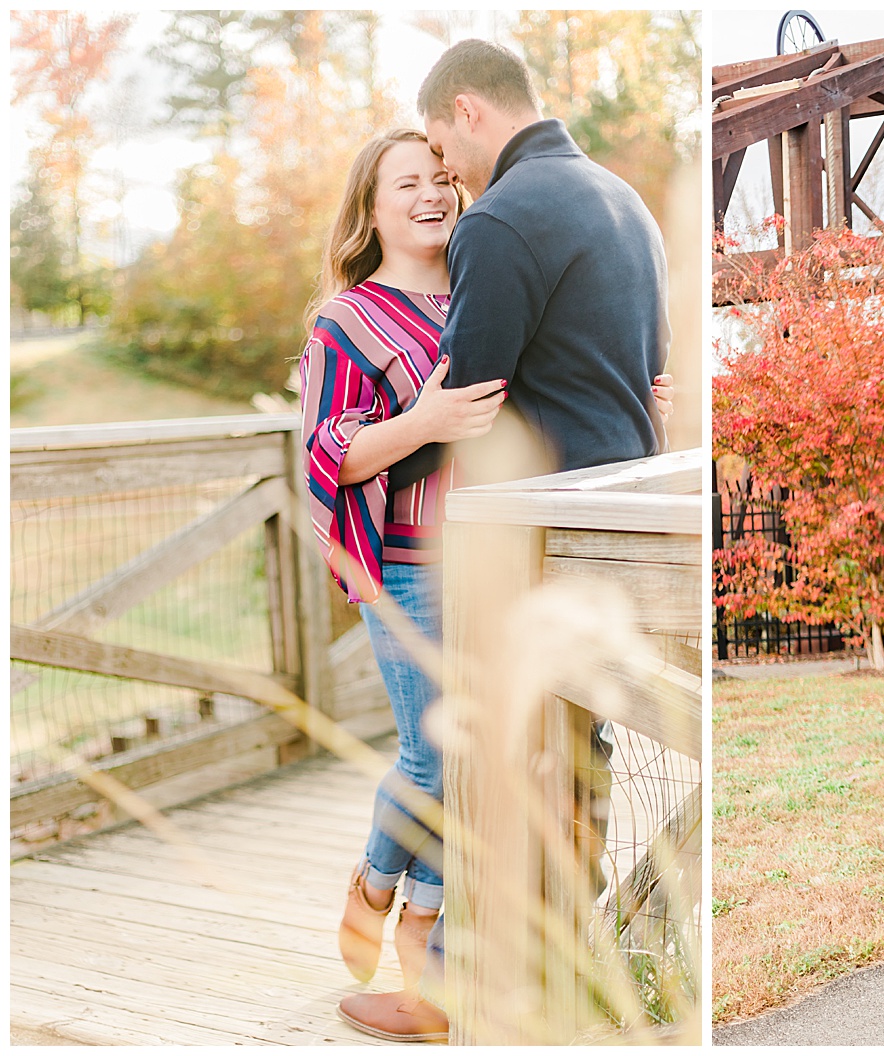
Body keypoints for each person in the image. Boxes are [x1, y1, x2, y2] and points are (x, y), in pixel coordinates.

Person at [329, 38, 673, 1042]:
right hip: (620, 531)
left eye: (442, 145)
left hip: (536, 539)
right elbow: (641, 375)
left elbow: (472, 398)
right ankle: (565, 968)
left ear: (469, 111)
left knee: (498, 760)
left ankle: (459, 993)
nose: (448, 171)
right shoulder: (629, 204)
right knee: (572, 756)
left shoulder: (505, 221)